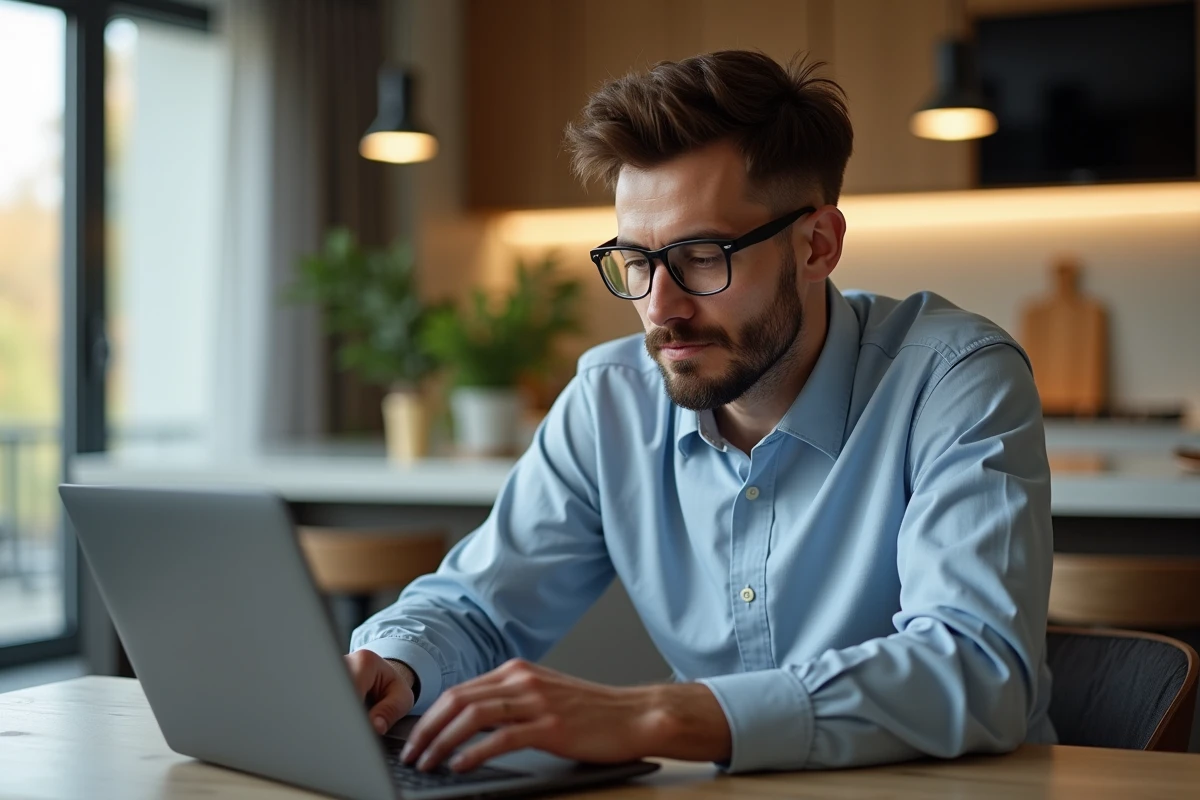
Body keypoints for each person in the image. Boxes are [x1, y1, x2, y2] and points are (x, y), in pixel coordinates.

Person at [344, 50, 1055, 775]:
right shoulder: (610, 401)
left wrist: (652, 715)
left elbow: (977, 669)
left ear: (818, 245)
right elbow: (478, 605)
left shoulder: (954, 378)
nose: (660, 308)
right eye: (637, 260)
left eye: (702, 256)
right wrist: (396, 664)